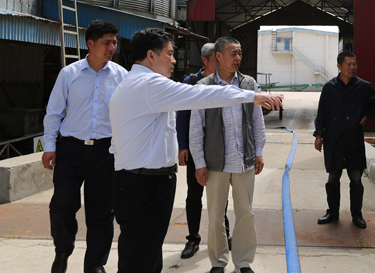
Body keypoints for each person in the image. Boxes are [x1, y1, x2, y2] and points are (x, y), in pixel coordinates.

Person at [109, 29, 281, 273]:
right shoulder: (150, 84)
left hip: (136, 179)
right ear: (151, 55)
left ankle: (242, 261)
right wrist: (252, 96)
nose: (173, 60)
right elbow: (202, 95)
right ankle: (218, 260)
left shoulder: (130, 83)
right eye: (169, 54)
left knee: (141, 250)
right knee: (142, 252)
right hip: (144, 183)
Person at [42, 20, 127, 273]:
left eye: (114, 42)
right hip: (71, 151)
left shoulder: (122, 76)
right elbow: (54, 112)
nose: (112, 47)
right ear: (90, 44)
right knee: (62, 205)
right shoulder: (69, 74)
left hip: (106, 152)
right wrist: (49, 146)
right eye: (106, 42)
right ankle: (62, 251)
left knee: (101, 213)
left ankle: (95, 265)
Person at [188, 37, 265, 273]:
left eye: (240, 53)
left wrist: (259, 152)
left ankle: (243, 262)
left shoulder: (249, 83)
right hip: (215, 164)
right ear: (218, 56)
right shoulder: (204, 86)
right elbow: (196, 129)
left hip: (244, 161)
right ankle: (218, 261)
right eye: (233, 53)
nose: (238, 58)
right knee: (215, 216)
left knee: (245, 213)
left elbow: (257, 121)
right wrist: (199, 163)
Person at [313, 51, 375, 229]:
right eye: (348, 64)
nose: (352, 67)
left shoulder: (363, 87)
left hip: (354, 140)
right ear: (339, 66)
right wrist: (319, 135)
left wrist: (367, 115)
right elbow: (321, 112)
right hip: (334, 139)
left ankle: (357, 215)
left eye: (354, 64)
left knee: (356, 179)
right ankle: (332, 212)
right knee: (333, 178)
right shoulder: (329, 88)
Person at [176, 43, 231, 259]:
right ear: (206, 60)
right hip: (195, 148)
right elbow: (182, 115)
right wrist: (182, 146)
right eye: (217, 59)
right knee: (194, 194)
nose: (221, 62)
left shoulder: (224, 82)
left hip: (218, 149)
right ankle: (193, 238)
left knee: (220, 194)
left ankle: (224, 234)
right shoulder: (191, 83)